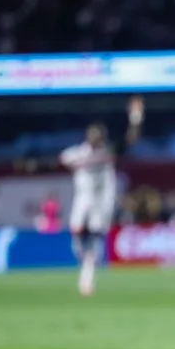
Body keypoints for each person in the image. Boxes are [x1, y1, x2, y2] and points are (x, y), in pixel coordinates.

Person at [58, 96, 144, 295]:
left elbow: (130, 140)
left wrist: (136, 118)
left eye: (99, 136)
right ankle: (86, 262)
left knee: (95, 239)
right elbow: (58, 161)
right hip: (82, 200)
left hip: (100, 202)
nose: (96, 138)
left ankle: (87, 278)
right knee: (78, 237)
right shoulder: (78, 154)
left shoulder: (108, 152)